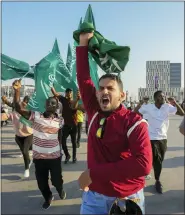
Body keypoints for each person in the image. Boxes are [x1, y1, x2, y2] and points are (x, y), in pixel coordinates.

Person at [76, 32, 152, 214]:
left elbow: (143, 164)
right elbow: (83, 78)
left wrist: (94, 174)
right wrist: (83, 43)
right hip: (94, 198)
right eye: (101, 88)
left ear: (122, 95)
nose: (104, 91)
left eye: (110, 88)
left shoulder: (134, 122)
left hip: (127, 200)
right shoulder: (94, 110)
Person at [13, 79, 66, 210]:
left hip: (54, 158)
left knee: (56, 181)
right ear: (45, 105)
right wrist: (17, 91)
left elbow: (60, 135)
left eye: (53, 103)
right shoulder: (35, 116)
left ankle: (60, 190)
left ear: (56, 107)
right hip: (39, 159)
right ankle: (48, 197)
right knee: (42, 183)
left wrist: (60, 150)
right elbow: (18, 108)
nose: (49, 104)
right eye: (48, 103)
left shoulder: (60, 121)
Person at [135, 91, 184, 194]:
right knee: (157, 159)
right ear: (155, 98)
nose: (163, 97)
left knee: (159, 159)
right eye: (160, 96)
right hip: (151, 138)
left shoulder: (167, 107)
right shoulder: (149, 107)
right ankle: (157, 181)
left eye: (163, 96)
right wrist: (140, 103)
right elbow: (135, 112)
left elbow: (182, 113)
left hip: (163, 138)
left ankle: (151, 173)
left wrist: (175, 102)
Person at [1, 95, 33, 177]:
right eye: (24, 102)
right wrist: (3, 116)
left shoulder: (30, 113)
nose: (25, 104)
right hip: (18, 137)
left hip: (28, 135)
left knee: (25, 151)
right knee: (24, 152)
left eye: (27, 103)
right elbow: (6, 115)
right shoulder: (14, 113)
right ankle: (28, 161)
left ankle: (26, 169)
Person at [51, 87, 81, 164]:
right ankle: (67, 155)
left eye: (70, 92)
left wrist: (78, 99)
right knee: (63, 142)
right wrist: (50, 85)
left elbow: (74, 105)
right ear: (66, 93)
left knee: (73, 142)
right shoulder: (63, 100)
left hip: (74, 126)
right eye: (68, 92)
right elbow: (55, 93)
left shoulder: (74, 101)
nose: (69, 93)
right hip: (66, 126)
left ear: (72, 94)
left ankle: (74, 157)